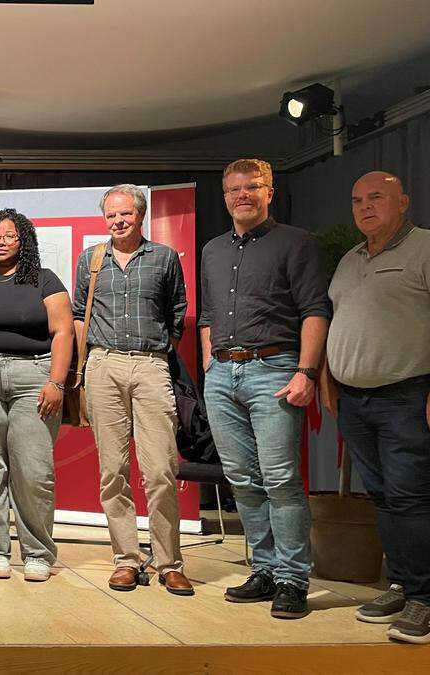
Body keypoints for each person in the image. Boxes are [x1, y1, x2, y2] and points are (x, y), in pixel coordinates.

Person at [200, 158, 330, 619]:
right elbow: (210, 316)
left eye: (251, 187)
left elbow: (316, 310)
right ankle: (267, 569)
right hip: (222, 374)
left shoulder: (298, 243)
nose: (242, 195)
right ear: (225, 196)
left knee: (280, 479)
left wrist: (307, 372)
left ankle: (294, 579)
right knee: (242, 481)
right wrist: (208, 371)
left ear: (269, 191)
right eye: (233, 189)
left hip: (275, 370)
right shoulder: (213, 249)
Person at [323, 171, 430, 644]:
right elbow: (338, 320)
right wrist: (327, 377)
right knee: (384, 498)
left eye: (376, 198)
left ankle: (424, 599)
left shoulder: (424, 248)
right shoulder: (349, 260)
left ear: (402, 202)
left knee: (410, 497)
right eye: (356, 199)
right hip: (356, 400)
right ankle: (404, 584)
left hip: (406, 395)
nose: (365, 206)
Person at [72, 186, 192, 595]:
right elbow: (77, 313)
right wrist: (86, 366)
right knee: (112, 471)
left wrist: (162, 349)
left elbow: (178, 309)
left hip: (150, 365)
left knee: (160, 469)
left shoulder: (162, 258)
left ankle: (168, 561)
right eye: (111, 216)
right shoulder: (91, 259)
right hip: (103, 364)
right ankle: (126, 559)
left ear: (140, 215)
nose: (118, 221)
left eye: (125, 214)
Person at [0, 208, 72, 583]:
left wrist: (56, 382)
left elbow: (63, 332)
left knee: (33, 470)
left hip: (36, 377)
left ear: (23, 240)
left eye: (10, 235)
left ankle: (38, 553)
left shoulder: (43, 280)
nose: (1, 242)